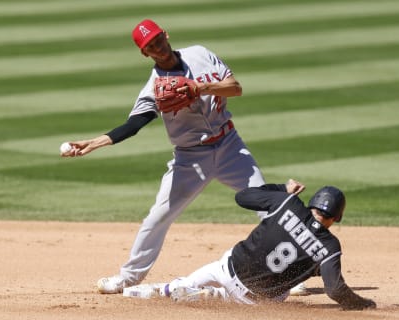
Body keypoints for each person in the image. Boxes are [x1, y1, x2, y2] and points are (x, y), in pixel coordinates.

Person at [62, 19, 269, 294]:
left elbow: (235, 87)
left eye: (158, 39)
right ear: (145, 53)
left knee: (268, 203)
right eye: (150, 46)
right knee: (158, 218)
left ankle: (291, 274)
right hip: (191, 159)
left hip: (231, 146)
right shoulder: (154, 87)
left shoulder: (200, 53)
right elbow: (134, 124)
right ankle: (128, 277)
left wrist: (199, 88)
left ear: (165, 35)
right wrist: (96, 142)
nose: (158, 47)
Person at [136, 179, 376, 310]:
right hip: (254, 300)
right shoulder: (329, 247)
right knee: (281, 286)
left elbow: (242, 197)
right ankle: (212, 296)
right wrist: (363, 304)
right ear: (336, 217)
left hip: (226, 268)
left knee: (184, 284)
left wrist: (282, 189)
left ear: (312, 202)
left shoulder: (287, 203)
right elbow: (335, 290)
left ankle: (161, 289)